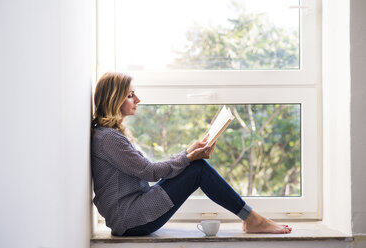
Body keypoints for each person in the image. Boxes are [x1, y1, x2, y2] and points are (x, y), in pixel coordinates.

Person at [91, 72, 292, 236]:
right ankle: (253, 220)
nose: (138, 99)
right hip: (130, 219)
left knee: (195, 166)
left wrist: (188, 152)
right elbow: (150, 172)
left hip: (132, 212)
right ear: (114, 99)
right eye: (130, 95)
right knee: (198, 169)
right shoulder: (109, 138)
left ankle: (251, 219)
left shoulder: (108, 135)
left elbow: (148, 169)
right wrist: (188, 157)